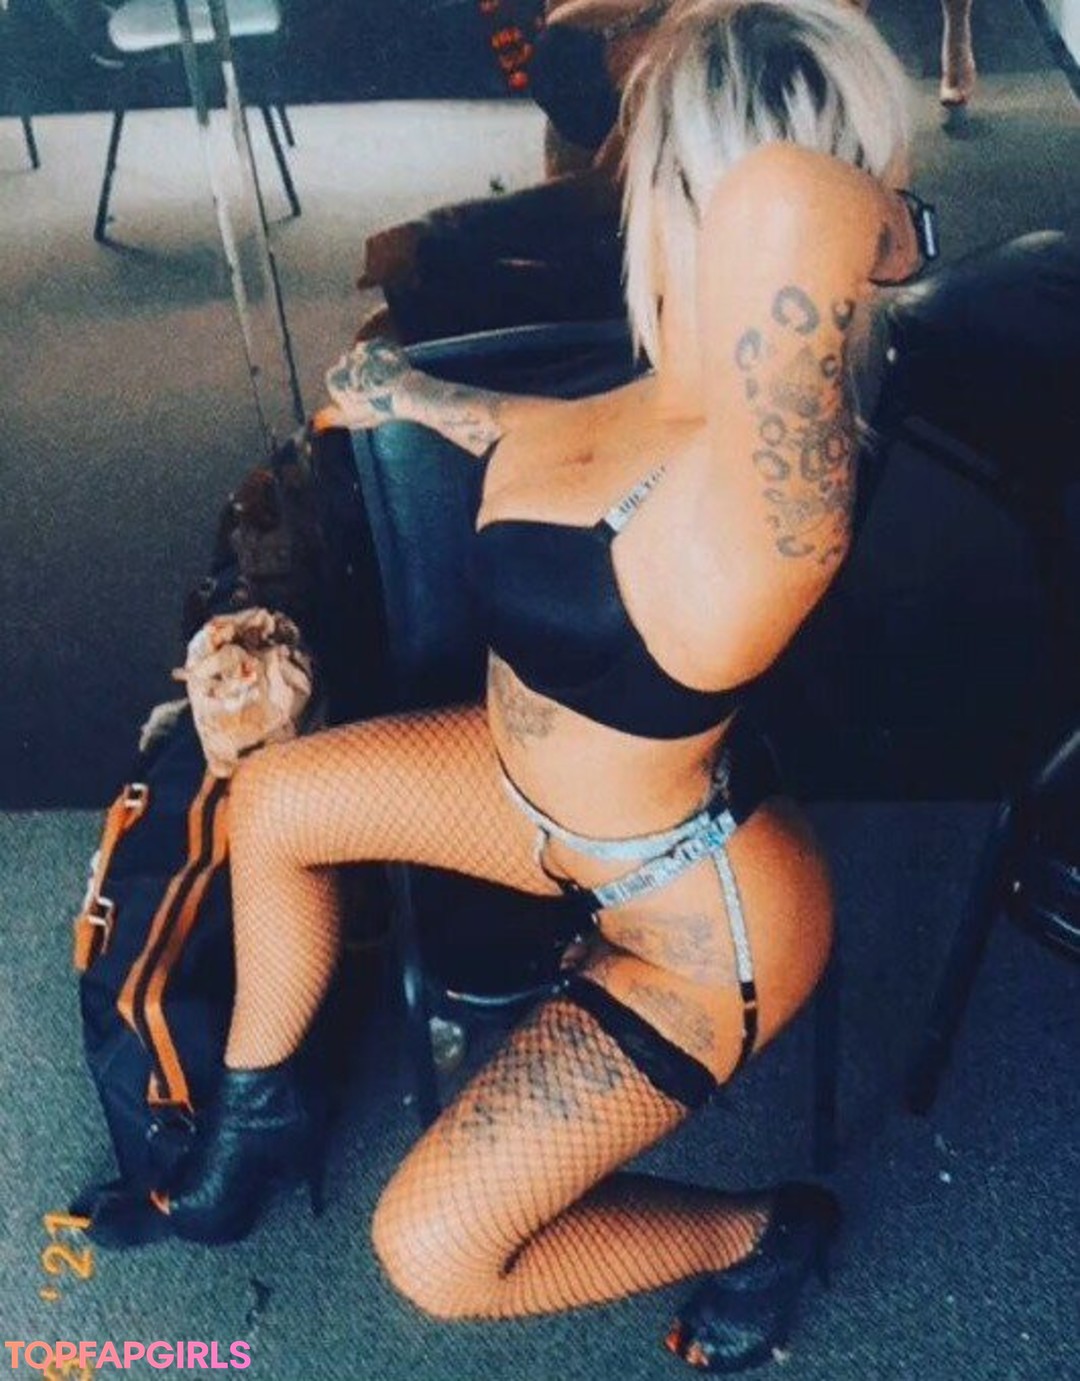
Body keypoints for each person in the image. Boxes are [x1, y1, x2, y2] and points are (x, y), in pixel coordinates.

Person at [97, 0, 928, 1370]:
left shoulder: (769, 507)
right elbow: (557, 439)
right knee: (276, 803)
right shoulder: (660, 393)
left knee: (432, 1254)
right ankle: (253, 1131)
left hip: (688, 920)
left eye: (658, 161)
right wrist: (413, 395)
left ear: (707, 198)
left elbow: (793, 198)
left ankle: (766, 1228)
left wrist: (883, 211)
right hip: (529, 802)